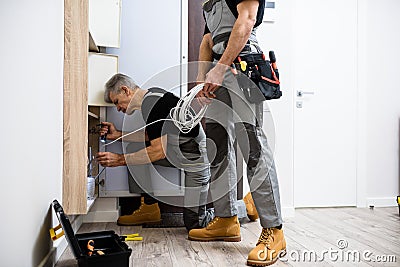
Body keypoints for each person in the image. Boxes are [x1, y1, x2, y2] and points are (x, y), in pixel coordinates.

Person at [188, 0, 286, 266]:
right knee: (217, 146)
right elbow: (208, 40)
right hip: (217, 71)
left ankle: (274, 230)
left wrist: (220, 69)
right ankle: (226, 219)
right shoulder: (209, 3)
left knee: (253, 146)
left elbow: (246, 21)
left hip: (243, 65)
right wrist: (201, 76)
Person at [96, 73, 212, 231]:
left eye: (117, 102)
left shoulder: (153, 103)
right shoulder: (151, 98)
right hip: (177, 152)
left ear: (125, 90)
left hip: (196, 158)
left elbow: (158, 151)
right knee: (134, 150)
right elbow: (154, 137)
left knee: (195, 224)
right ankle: (149, 208)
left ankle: (237, 210)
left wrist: (119, 159)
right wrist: (118, 134)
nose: (118, 108)